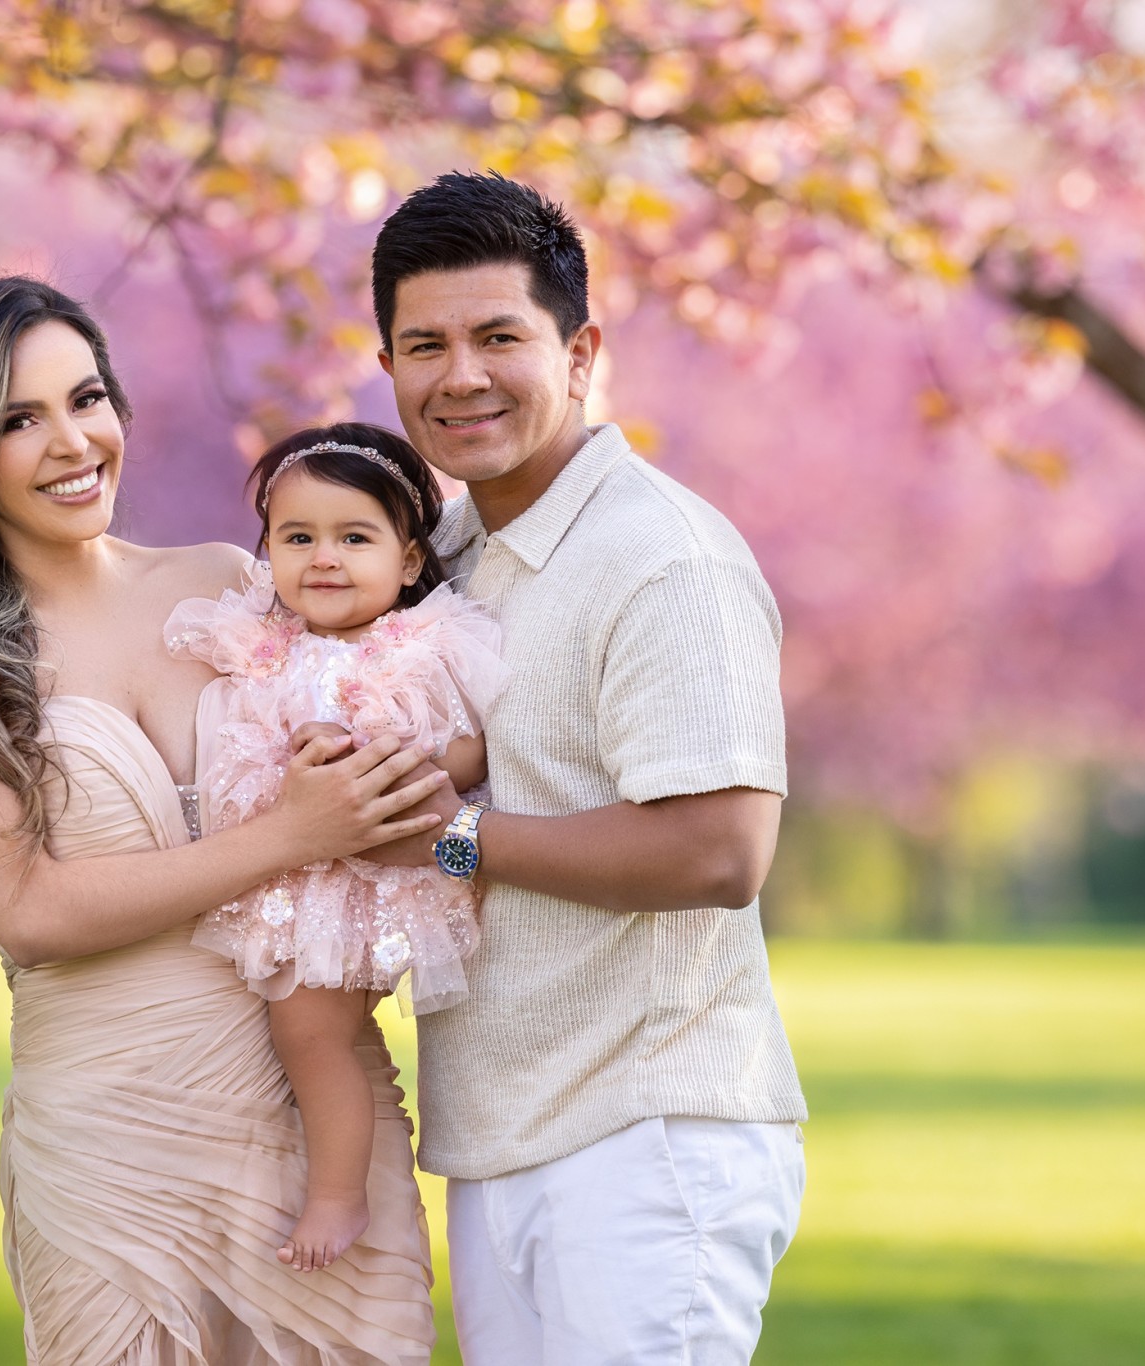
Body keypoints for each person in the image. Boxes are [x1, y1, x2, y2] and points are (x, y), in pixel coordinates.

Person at [0, 275, 443, 1365]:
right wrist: (287, 837)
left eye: (86, 397)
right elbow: (26, 911)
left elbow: (392, 698)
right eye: (19, 419)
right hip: (113, 1135)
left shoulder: (228, 583)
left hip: (310, 1116)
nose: (72, 442)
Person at [368, 172, 810, 1364]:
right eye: (425, 345)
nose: (459, 375)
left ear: (579, 353)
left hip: (646, 1138)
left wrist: (444, 835)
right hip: (498, 1132)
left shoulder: (661, 558)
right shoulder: (447, 554)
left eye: (498, 336)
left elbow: (717, 850)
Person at [166, 421, 507, 1273]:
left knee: (311, 1038)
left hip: (377, 878)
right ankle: (333, 1182)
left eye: (354, 537)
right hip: (303, 877)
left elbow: (470, 746)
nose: (324, 557)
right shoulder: (268, 644)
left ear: (409, 560)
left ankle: (338, 1194)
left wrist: (387, 753)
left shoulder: (425, 644)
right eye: (298, 537)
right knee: (305, 1036)